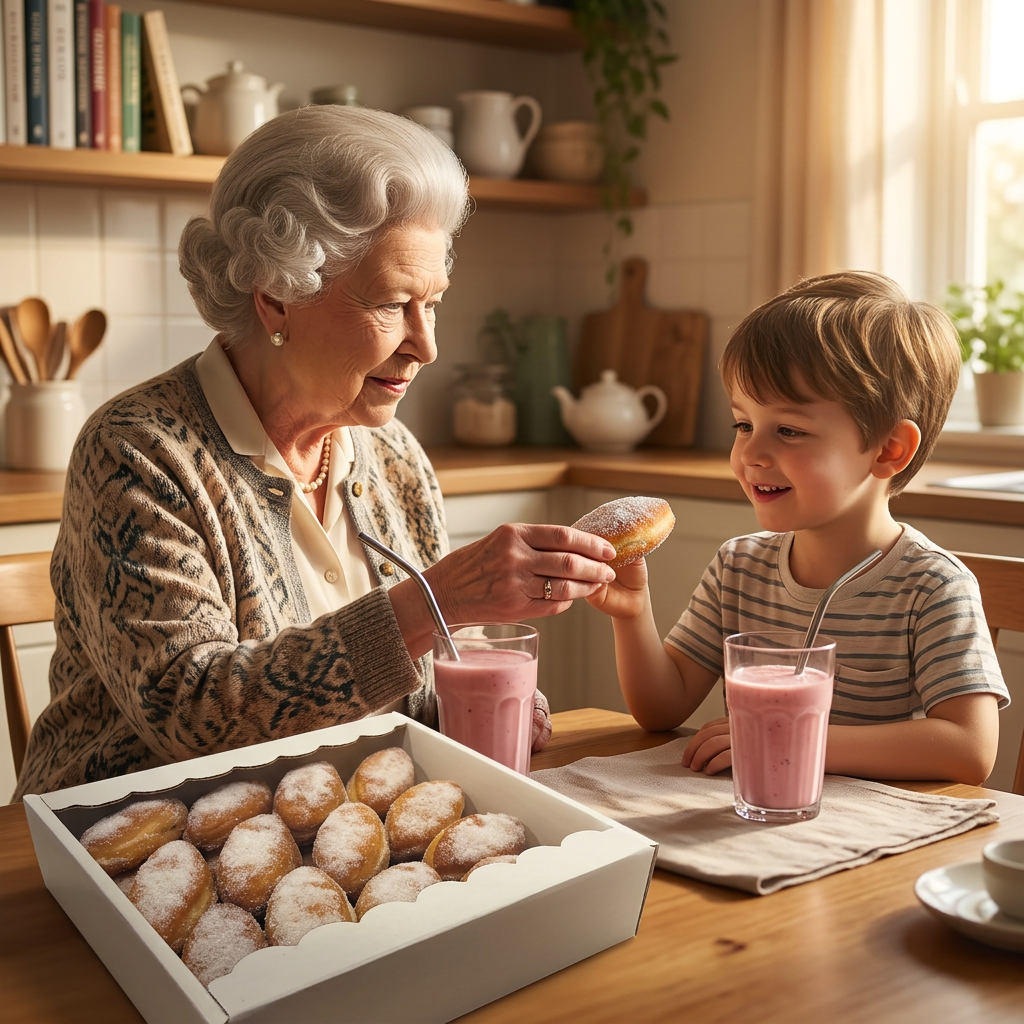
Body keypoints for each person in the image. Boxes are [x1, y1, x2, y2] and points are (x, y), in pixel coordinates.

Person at [13, 106, 616, 798]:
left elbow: (402, 694)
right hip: (125, 845)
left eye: (435, 303)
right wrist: (432, 602)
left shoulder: (393, 456)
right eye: (393, 305)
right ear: (275, 298)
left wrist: (476, 699)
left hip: (337, 838)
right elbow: (191, 713)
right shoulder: (139, 453)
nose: (428, 345)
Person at [587, 272, 1009, 785]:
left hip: (875, 840)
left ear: (888, 450)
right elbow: (662, 708)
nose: (750, 454)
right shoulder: (738, 565)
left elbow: (969, 749)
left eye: (789, 430)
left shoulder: (933, 586)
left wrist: (789, 734)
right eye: (743, 425)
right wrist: (632, 616)